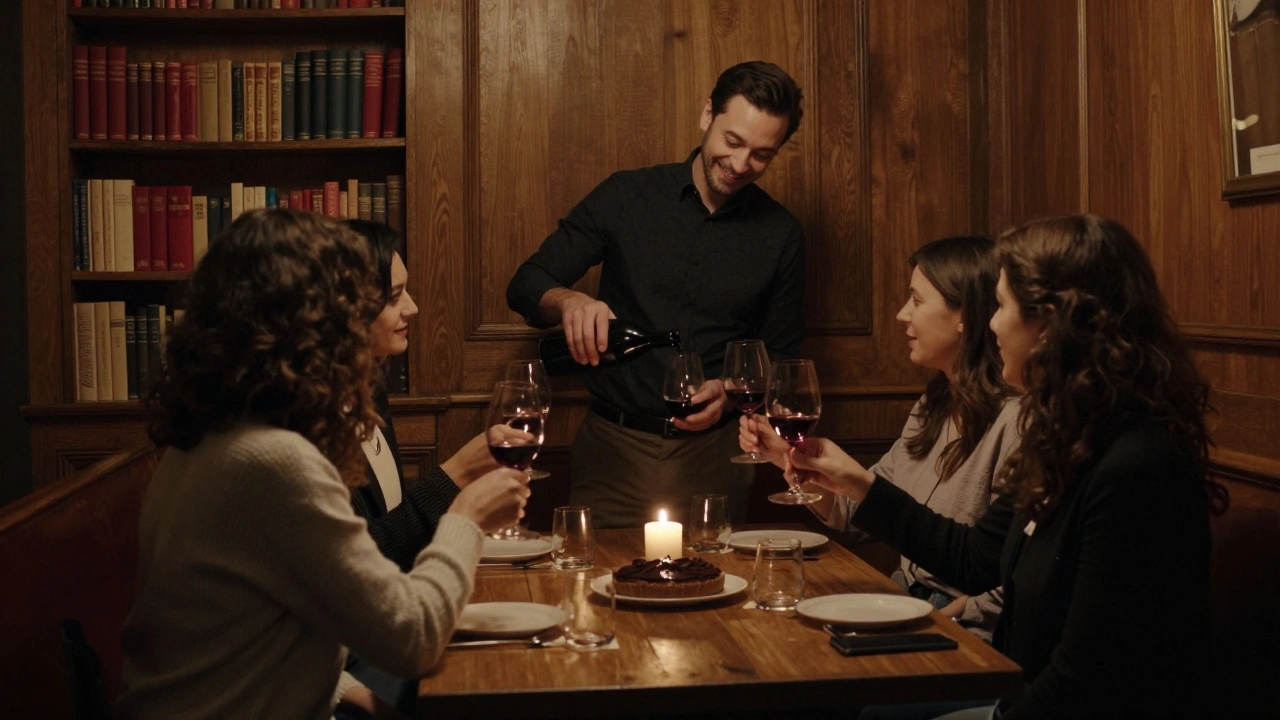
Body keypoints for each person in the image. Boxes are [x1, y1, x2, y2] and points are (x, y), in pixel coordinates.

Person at [747, 214, 1219, 719]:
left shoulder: (1136, 467)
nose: (990, 323)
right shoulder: (1070, 439)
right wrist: (856, 483)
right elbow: (974, 557)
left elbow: (1088, 679)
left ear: (1052, 324)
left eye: (1001, 305)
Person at [116, 209, 531, 720]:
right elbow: (412, 637)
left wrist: (347, 693)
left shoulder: (210, 438)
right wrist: (463, 516)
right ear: (316, 326)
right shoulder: (274, 462)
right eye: (354, 308)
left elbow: (263, 624)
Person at [506, 60, 806, 528]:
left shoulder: (782, 234)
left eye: (762, 155)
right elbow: (526, 282)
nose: (741, 164)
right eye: (732, 141)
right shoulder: (626, 195)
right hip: (613, 452)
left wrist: (727, 394)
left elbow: (781, 352)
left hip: (717, 458)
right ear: (708, 114)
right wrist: (569, 300)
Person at [743, 235, 1016, 644]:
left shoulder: (1017, 419)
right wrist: (792, 458)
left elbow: (1019, 569)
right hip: (903, 599)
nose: (901, 315)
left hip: (965, 628)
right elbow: (858, 513)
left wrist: (963, 613)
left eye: (917, 301)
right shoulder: (936, 402)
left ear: (967, 315)